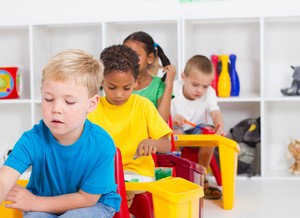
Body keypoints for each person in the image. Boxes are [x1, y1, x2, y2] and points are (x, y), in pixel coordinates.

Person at [0, 49, 121, 218]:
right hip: (45, 203)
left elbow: (86, 199)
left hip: (94, 205)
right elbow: (3, 179)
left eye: (69, 102)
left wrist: (36, 203)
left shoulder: (102, 143)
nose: (56, 109)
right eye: (48, 99)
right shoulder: (32, 139)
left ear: (92, 103)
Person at [88, 44, 172, 207]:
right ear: (101, 82)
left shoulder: (143, 105)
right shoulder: (93, 107)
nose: (119, 94)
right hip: (102, 173)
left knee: (117, 192)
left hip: (136, 174)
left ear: (135, 82)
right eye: (111, 87)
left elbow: (166, 145)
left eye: (126, 88)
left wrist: (152, 143)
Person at [171, 54, 225, 199]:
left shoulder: (209, 93)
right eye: (195, 85)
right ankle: (178, 176)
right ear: (184, 77)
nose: (200, 90)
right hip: (177, 129)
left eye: (205, 86)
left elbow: (215, 112)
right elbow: (161, 115)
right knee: (175, 133)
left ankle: (202, 176)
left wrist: (219, 123)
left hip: (197, 129)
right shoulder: (173, 89)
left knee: (210, 134)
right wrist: (173, 119)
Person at [123, 31, 176, 122]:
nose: (128, 59)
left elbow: (162, 121)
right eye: (125, 55)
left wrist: (169, 84)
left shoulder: (159, 85)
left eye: (135, 55)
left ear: (150, 58)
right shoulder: (119, 83)